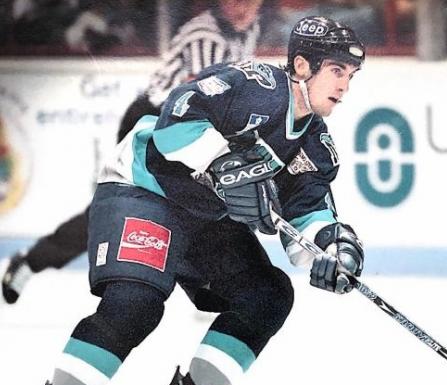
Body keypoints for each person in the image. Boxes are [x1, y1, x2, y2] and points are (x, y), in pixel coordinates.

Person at [9, 16, 366, 385]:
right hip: (145, 189)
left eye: (351, 75)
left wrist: (333, 251)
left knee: (267, 295)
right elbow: (175, 117)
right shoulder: (252, 85)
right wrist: (220, 161)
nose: (344, 85)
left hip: (203, 216)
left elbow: (309, 213)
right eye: (337, 70)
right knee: (136, 302)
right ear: (301, 66)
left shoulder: (315, 146)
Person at [1, 0, 263, 305]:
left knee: (194, 200)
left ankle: (206, 283)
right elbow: (202, 102)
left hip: (180, 125)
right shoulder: (206, 36)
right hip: (155, 124)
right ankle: (32, 261)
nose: (243, 6)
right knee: (127, 205)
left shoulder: (250, 29)